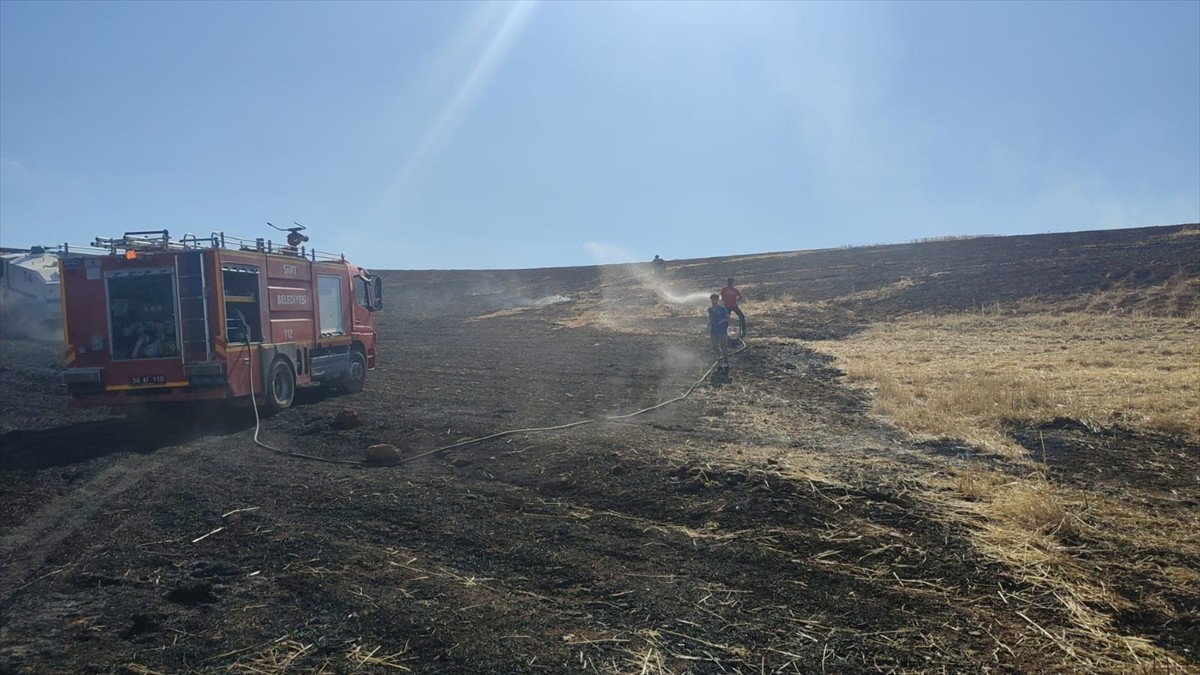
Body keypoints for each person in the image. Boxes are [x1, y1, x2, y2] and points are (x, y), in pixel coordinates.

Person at [708, 293, 730, 370]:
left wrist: (722, 321)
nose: (713, 301)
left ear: (717, 300)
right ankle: (719, 355)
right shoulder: (710, 309)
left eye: (715, 299)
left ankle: (726, 362)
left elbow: (727, 318)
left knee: (724, 346)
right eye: (712, 299)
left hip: (722, 330)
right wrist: (710, 322)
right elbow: (711, 318)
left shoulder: (722, 309)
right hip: (713, 330)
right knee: (715, 346)